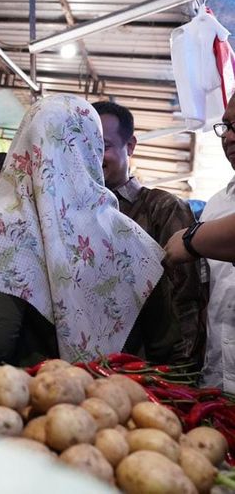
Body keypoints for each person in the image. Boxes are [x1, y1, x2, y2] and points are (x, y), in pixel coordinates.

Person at [0, 94, 180, 368]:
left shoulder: (7, 228)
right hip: (115, 402)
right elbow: (166, 347)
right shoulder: (132, 240)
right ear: (91, 151)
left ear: (23, 148)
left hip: (28, 401)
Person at [92, 100, 206, 367]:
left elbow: (187, 301)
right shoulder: (73, 212)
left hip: (148, 372)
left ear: (129, 146)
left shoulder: (163, 209)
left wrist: (179, 377)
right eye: (84, 147)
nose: (93, 156)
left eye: (104, 146)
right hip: (87, 370)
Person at [165, 92, 235, 391]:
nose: (229, 138)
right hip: (218, 379)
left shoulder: (200, 230)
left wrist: (191, 239)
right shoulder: (218, 204)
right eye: (226, 126)